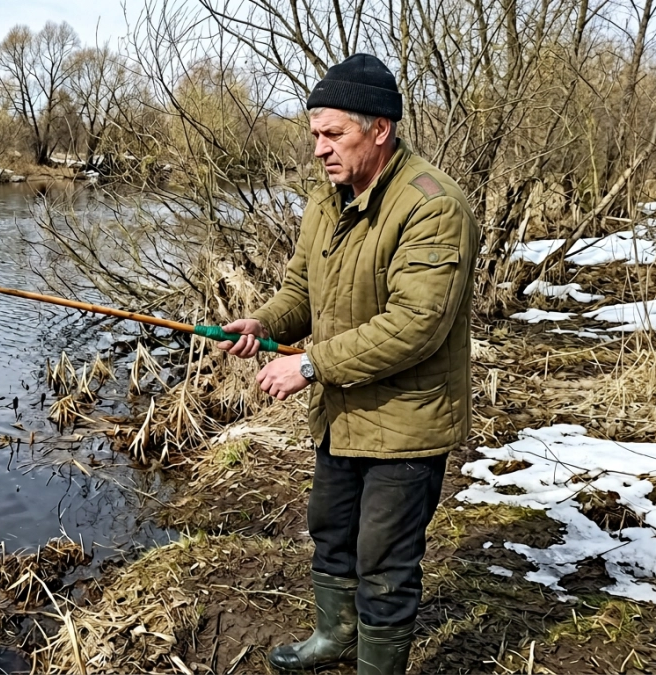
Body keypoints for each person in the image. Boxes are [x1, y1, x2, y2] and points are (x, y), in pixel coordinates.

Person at [216, 53, 479, 675]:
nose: (318, 149)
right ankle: (334, 637)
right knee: (331, 533)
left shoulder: (433, 206)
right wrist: (265, 324)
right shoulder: (327, 198)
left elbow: (416, 326)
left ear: (379, 129)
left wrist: (308, 366)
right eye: (313, 134)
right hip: (341, 412)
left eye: (332, 134)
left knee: (385, 562)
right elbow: (301, 290)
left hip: (406, 421)